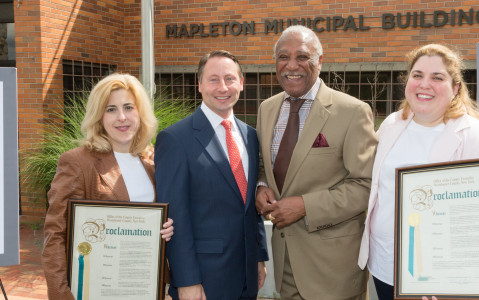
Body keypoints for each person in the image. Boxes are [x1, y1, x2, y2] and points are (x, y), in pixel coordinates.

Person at [357, 44, 479, 300]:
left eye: (437, 77)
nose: (424, 84)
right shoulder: (392, 125)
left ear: (456, 88)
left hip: (438, 279)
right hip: (385, 266)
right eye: (417, 75)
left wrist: (452, 281)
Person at [255, 25, 378, 300]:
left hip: (333, 272)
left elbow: (366, 185)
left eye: (302, 57)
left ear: (319, 61)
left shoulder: (353, 112)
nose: (291, 66)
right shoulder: (267, 109)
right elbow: (264, 165)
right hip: (285, 265)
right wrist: (261, 186)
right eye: (283, 57)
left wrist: (305, 207)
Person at [42, 73, 174, 300]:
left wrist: (165, 228)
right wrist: (61, 294)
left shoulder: (153, 159)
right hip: (96, 290)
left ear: (140, 113)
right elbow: (55, 235)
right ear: (98, 116)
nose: (121, 117)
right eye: (110, 109)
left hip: (145, 286)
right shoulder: (77, 162)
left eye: (129, 107)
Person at [154, 50, 269, 300]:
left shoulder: (250, 136)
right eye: (213, 79)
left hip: (247, 272)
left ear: (241, 83)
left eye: (229, 79)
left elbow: (248, 206)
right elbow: (175, 216)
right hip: (204, 278)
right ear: (199, 85)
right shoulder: (175, 139)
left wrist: (259, 256)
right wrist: (186, 280)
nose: (223, 87)